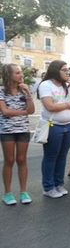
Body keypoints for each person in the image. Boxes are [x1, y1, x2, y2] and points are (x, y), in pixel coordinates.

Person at [38, 60, 70, 198]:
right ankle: (48, 187)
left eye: (67, 69)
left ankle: (58, 184)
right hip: (53, 126)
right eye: (64, 70)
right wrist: (68, 105)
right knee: (51, 156)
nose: (67, 72)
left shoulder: (68, 86)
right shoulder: (46, 85)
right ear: (55, 70)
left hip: (69, 125)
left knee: (62, 156)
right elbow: (50, 106)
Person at [0, 64, 35, 205]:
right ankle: (7, 193)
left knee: (22, 160)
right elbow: (5, 112)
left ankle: (23, 191)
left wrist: (28, 94)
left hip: (23, 130)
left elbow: (31, 110)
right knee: (9, 160)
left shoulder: (24, 90)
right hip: (7, 130)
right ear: (9, 75)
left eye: (20, 72)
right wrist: (23, 112)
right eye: (17, 73)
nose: (21, 75)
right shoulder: (1, 91)